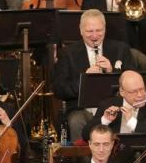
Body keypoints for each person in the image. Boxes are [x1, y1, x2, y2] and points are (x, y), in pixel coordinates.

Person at [53, 9, 138, 142]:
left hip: (116, 107)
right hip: (82, 110)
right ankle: (85, 161)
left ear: (105, 29)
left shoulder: (121, 49)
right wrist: (84, 79)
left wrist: (112, 72)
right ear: (81, 30)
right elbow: (59, 89)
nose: (94, 36)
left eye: (99, 30)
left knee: (128, 117)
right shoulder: (67, 53)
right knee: (76, 120)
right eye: (89, 31)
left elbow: (135, 81)